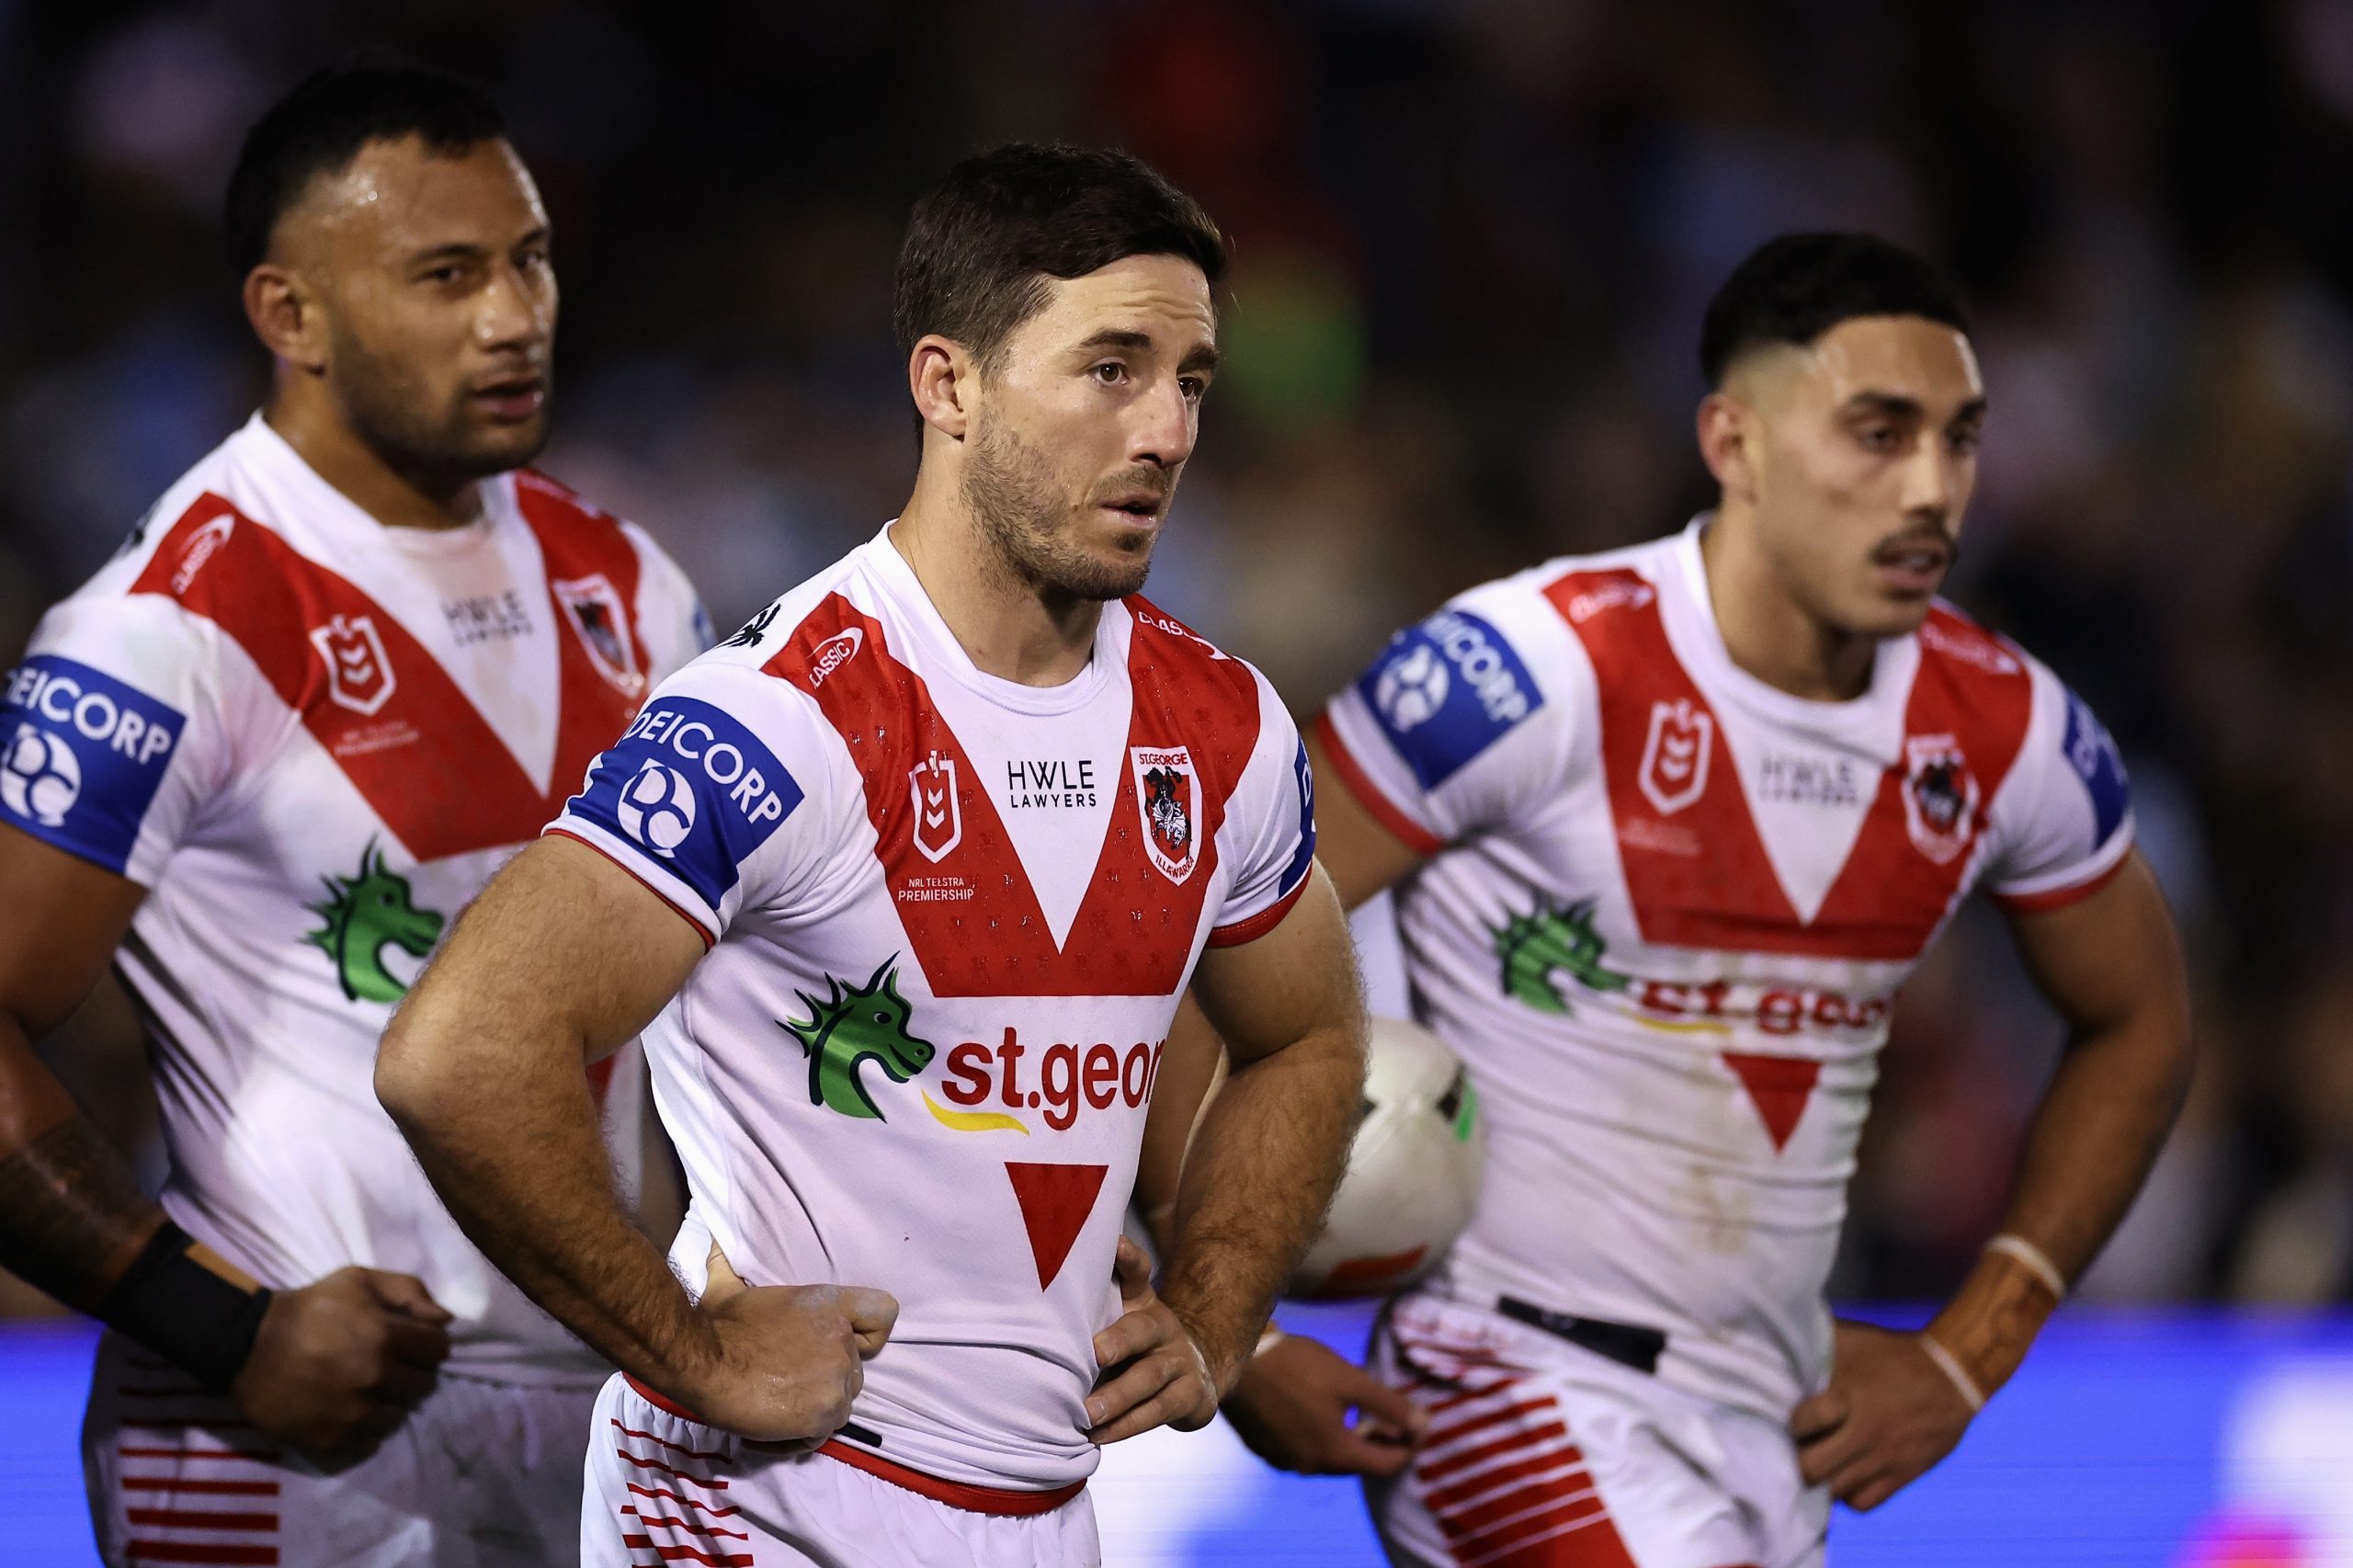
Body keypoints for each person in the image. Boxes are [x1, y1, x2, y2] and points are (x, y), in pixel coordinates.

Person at [374, 142, 1367, 1568]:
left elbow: (1311, 1036)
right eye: (1110, 369)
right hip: (757, 1503)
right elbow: (457, 1056)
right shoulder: (781, 715)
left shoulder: (1224, 731)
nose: (1166, 431)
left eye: (1190, 380)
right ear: (948, 385)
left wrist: (1216, 1314)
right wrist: (694, 1357)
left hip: (1044, 1510)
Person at [1142, 233, 2193, 1566]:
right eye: (1877, 434)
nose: (1931, 487)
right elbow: (1188, 927)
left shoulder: (2010, 732)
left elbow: (2142, 1020)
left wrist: (1971, 1352)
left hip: (1769, 1417)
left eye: (1959, 438)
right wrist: (1231, 1328)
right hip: (1501, 1379)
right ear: (1734, 442)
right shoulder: (1532, 670)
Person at [0, 62, 706, 1567]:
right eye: (446, 275)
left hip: (607, 1414)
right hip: (285, 1436)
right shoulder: (162, 629)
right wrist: (219, 1321)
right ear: (290, 316)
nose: (515, 315)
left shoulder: (633, 586)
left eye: (530, 260)